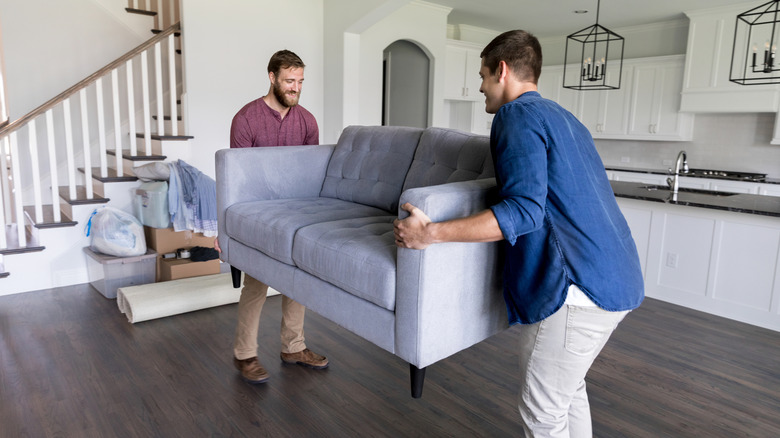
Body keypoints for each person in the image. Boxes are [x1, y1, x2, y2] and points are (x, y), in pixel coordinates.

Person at [393, 30, 644, 437]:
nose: (479, 85)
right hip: (618, 277)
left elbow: (524, 211)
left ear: (502, 70)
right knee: (567, 391)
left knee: (542, 414)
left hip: (576, 287)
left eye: (483, 75)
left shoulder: (517, 116)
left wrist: (429, 234)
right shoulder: (567, 119)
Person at [215, 49, 327, 385]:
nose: (296, 88)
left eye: (301, 82)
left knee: (298, 280)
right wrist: (228, 231)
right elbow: (237, 180)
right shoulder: (246, 119)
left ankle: (294, 347)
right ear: (272, 78)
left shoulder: (307, 121)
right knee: (256, 283)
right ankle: (245, 354)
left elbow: (312, 176)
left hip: (296, 215)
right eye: (290, 81)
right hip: (258, 215)